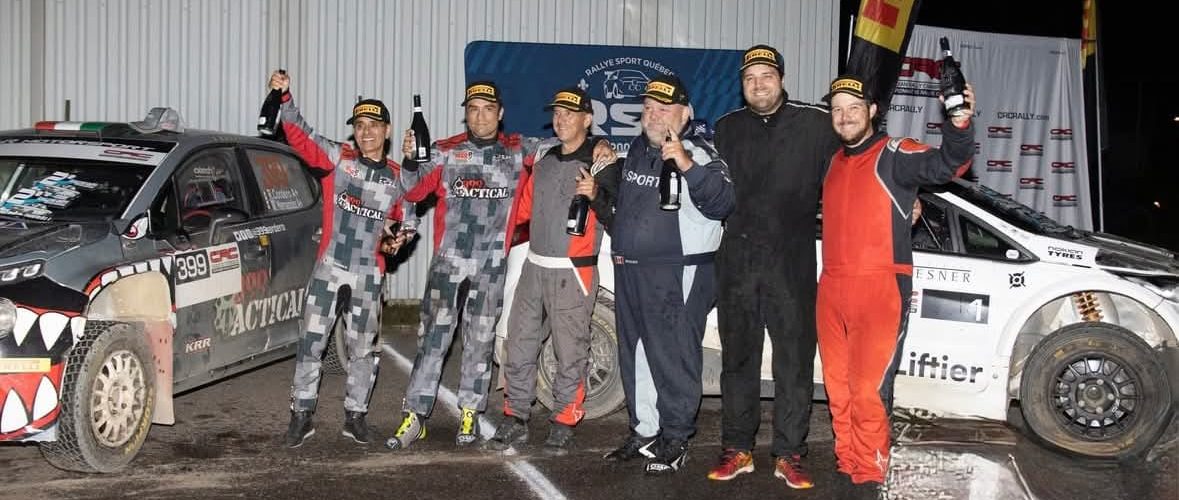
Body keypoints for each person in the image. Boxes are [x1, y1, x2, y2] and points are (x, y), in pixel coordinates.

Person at [386, 81, 614, 450]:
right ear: (465, 113)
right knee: (434, 342)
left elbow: (571, 142)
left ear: (501, 113)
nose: (480, 116)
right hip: (448, 267)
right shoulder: (445, 151)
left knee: (481, 343)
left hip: (492, 268)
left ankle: (471, 412)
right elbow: (413, 191)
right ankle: (415, 413)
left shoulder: (521, 150)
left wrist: (601, 143)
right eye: (473, 109)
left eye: (488, 108)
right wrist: (411, 160)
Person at [817, 74, 975, 488]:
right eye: (837, 109)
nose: (844, 116)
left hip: (880, 285)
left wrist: (959, 122)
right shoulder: (833, 162)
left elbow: (949, 164)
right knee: (838, 390)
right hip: (831, 287)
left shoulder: (895, 153)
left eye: (854, 108)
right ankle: (847, 464)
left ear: (872, 111)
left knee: (867, 390)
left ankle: (870, 474)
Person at [708, 44, 840, 489]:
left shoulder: (816, 123)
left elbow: (861, 156)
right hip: (737, 264)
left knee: (795, 363)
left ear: (781, 79)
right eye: (750, 78)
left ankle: (790, 453)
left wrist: (904, 196)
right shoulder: (726, 128)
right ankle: (737, 448)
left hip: (792, 263)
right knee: (737, 360)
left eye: (766, 75)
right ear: (741, 85)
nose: (758, 84)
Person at [603, 75, 734, 475]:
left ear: (685, 113)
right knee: (637, 354)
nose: (654, 115)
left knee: (674, 356)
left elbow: (724, 202)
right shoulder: (638, 150)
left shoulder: (700, 151)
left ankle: (676, 438)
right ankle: (645, 430)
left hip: (678, 272)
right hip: (631, 271)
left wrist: (686, 164)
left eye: (664, 109)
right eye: (648, 108)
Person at [274, 71, 410, 448]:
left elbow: (406, 221)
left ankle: (356, 416)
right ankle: (302, 415)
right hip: (329, 270)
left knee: (364, 351)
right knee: (311, 344)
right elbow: (298, 133)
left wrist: (400, 239)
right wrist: (285, 98)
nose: (366, 132)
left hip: (369, 276)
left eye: (373, 126)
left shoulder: (399, 178)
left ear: (387, 130)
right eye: (360, 126)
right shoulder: (339, 159)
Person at [486, 87, 619, 455]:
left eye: (569, 114)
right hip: (535, 265)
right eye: (557, 114)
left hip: (573, 270)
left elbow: (615, 214)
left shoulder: (603, 162)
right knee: (519, 343)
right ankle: (516, 416)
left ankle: (564, 419)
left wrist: (596, 194)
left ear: (587, 120)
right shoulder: (543, 159)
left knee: (569, 349)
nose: (561, 120)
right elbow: (523, 210)